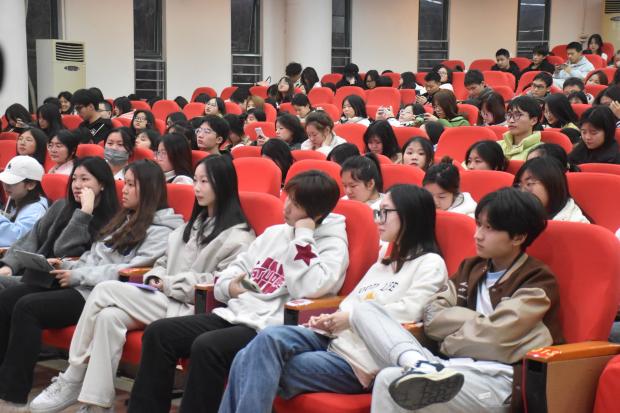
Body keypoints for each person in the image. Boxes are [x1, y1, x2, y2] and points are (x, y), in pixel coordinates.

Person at [30, 155, 255, 413]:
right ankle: (97, 403)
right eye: (195, 180)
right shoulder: (191, 227)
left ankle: (73, 374)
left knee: (104, 290)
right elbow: (162, 262)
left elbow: (217, 283)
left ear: (223, 185)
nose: (197, 187)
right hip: (162, 295)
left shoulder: (239, 237)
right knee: (108, 317)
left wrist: (165, 282)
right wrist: (155, 278)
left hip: (191, 307)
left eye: (205, 181)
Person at [127, 170, 348, 413]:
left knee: (207, 347)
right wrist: (230, 287)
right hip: (236, 311)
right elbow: (237, 268)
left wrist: (303, 237)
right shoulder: (275, 233)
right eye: (288, 199)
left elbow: (309, 288)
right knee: (159, 333)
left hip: (270, 326)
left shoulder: (333, 245)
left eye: (295, 205)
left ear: (316, 214)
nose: (286, 208)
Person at [218, 184, 448, 413]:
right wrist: (329, 320)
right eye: (378, 212)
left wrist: (350, 319)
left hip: (361, 359)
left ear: (410, 215)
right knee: (266, 339)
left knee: (249, 360)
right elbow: (350, 303)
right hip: (334, 339)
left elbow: (410, 312)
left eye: (385, 212)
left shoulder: (430, 263)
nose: (378, 220)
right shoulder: (383, 265)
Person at [0, 160, 183, 411]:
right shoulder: (123, 218)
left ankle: (13, 393)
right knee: (8, 298)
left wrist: (77, 274)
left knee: (27, 307)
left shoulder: (161, 231)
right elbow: (92, 257)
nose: (124, 190)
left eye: (131, 185)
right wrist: (67, 265)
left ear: (150, 189)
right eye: (125, 183)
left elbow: (127, 270)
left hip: (98, 293)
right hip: (80, 282)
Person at [363, 187, 562, 412]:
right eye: (478, 224)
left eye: (489, 228)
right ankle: (417, 363)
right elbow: (432, 315)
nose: (477, 235)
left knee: (389, 380)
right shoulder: (471, 267)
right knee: (366, 311)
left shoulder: (536, 280)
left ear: (518, 237)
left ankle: (422, 365)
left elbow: (495, 340)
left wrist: (446, 341)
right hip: (450, 367)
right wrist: (481, 323)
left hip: (498, 380)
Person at [0, 157, 118, 290]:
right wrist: (9, 266)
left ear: (102, 184)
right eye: (74, 179)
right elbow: (30, 239)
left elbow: (62, 250)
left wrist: (84, 213)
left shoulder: (112, 221)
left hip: (63, 281)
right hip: (34, 273)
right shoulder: (61, 206)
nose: (77, 185)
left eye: (84, 179)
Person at [514, 157, 588, 223]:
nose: (522, 191)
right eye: (518, 186)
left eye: (529, 184)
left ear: (552, 185)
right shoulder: (519, 214)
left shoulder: (577, 224)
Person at [0, 156, 48, 248]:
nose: (6, 185)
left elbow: (17, 238)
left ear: (31, 185)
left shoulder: (36, 210)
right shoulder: (16, 200)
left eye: (12, 182)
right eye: (4, 181)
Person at [498, 96, 542, 160]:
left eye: (518, 115)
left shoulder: (540, 151)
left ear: (533, 120)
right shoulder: (498, 146)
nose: (511, 120)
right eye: (509, 115)